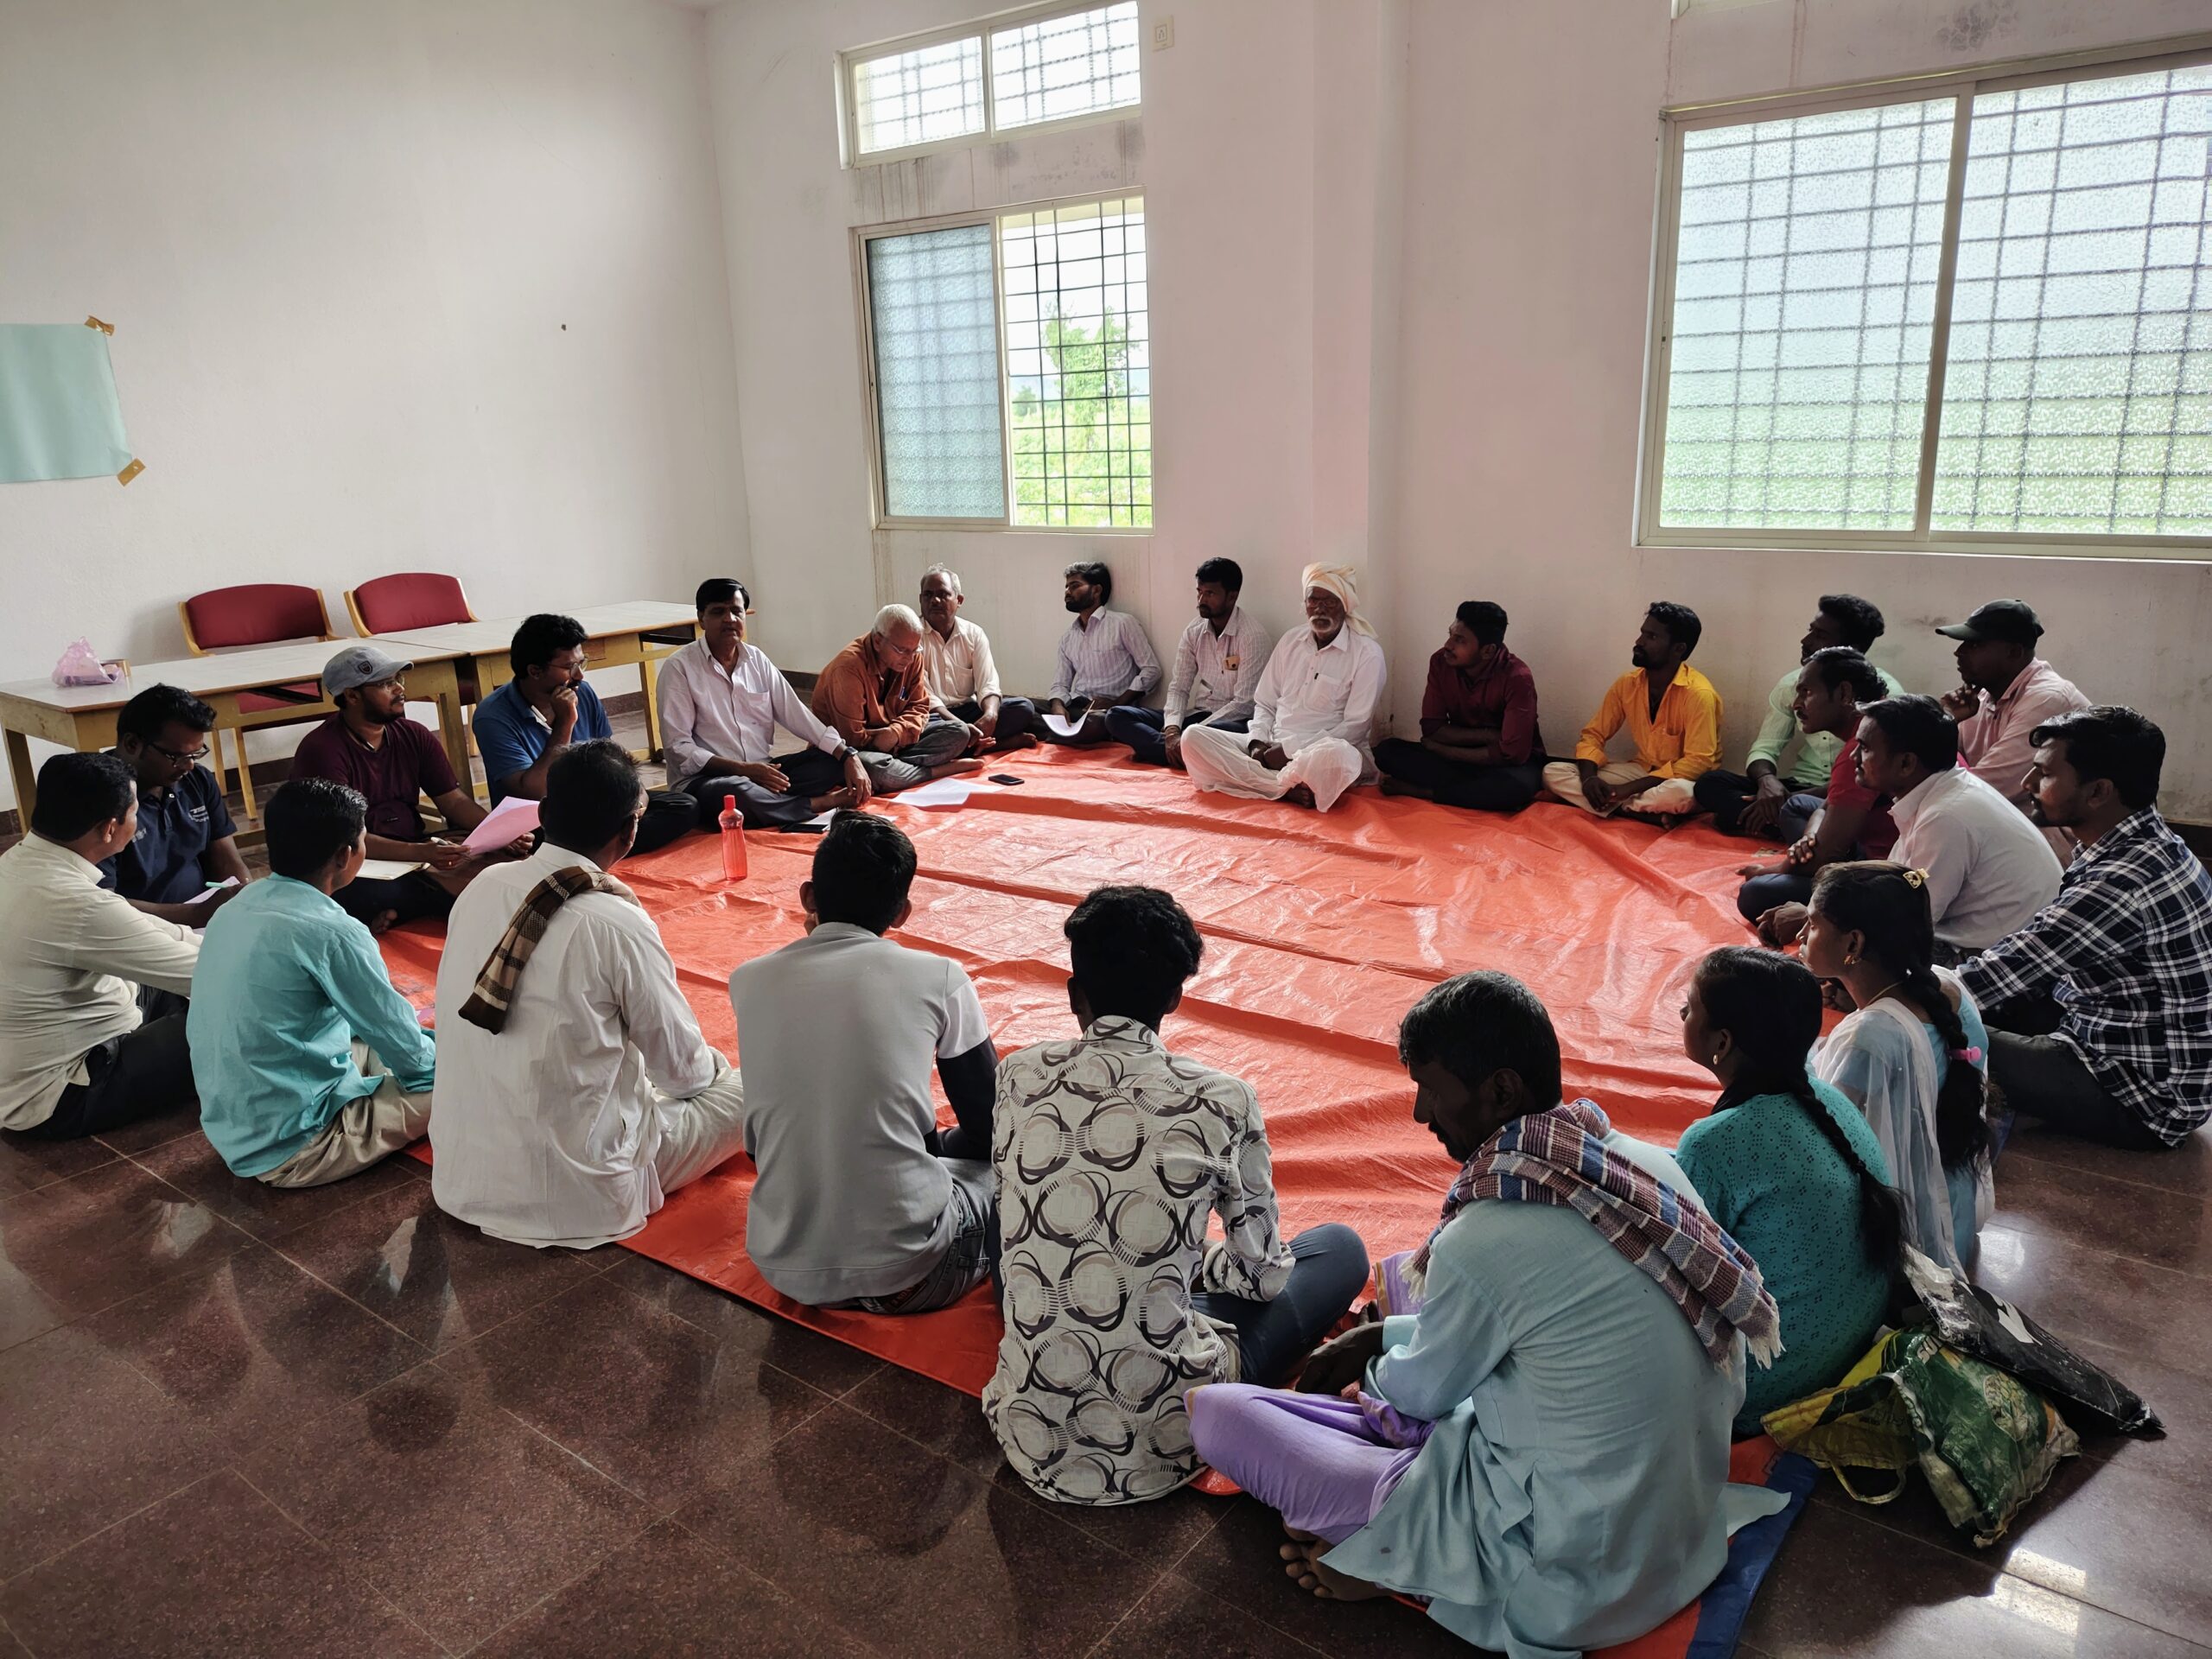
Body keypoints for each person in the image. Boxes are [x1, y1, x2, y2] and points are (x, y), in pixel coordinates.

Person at [1186, 971, 1770, 1656]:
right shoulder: (1643, 1164)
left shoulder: (1485, 1237)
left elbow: (1422, 1396)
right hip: (1679, 1540)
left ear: (1499, 1090)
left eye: (1432, 1087)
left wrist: (1375, 1370)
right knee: (1410, 1278)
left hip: (1562, 1577)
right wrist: (1387, 1339)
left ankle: (1405, 1566)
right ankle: (1386, 1514)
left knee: (1218, 1415)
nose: (1419, 1113)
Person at [987, 884, 1368, 1505]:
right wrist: (1193, 1258)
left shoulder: (1017, 1074)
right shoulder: (1222, 1098)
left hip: (1030, 1428)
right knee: (1339, 1249)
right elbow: (1264, 1279)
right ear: (1174, 997)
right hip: (1166, 1436)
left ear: (1074, 993)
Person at [430, 741, 748, 1249]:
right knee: (751, 1087)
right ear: (629, 832)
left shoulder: (482, 886)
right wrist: (715, 1068)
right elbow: (685, 1074)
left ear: (543, 814)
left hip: (464, 1177)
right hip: (576, 1194)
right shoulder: (614, 921)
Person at [732, 811, 1004, 1312]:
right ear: (901, 912)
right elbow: (992, 1131)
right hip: (911, 1277)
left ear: (808, 897)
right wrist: (939, 1145)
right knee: (1012, 1173)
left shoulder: (748, 980)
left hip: (783, 1264)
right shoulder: (939, 976)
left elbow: (762, 1147)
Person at [1957, 708, 2212, 1151]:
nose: (2027, 786)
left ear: (2098, 792)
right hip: (2114, 1033)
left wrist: (1889, 992)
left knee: (1935, 1031)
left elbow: (2007, 969)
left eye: (2044, 775)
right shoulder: (2145, 843)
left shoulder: (2123, 882)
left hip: (2142, 1098)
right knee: (1955, 997)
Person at [1677, 947, 1900, 1435]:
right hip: (1845, 1344)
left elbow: (1675, 1269)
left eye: (1690, 1006)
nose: (1681, 1013)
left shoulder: (1715, 1143)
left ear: (1722, 1041)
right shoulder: (1827, 1100)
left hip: (1772, 1385)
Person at [188, 779, 437, 1187]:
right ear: (345, 855)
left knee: (393, 1034)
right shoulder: (334, 931)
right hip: (298, 1149)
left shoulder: (236, 906)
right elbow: (411, 1056)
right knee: (466, 1072)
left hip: (235, 1127)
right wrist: (444, 1067)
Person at [1752, 696, 2062, 964]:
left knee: (1834, 952)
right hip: (1981, 936)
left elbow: (1905, 922)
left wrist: (1813, 919)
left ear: (1906, 764)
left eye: (1864, 748)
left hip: (1988, 957)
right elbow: (1903, 881)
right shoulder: (1940, 792)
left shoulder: (1945, 816)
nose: (1852, 758)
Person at [1802, 863, 1994, 1274]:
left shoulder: (1869, 1039)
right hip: (1955, 1212)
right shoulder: (1949, 988)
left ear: (1853, 943)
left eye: (1812, 924)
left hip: (1912, 1242)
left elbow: (1827, 1150)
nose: (1801, 936)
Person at [0, 752, 200, 1139]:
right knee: (245, 1013)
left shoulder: (19, 864)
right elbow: (211, 976)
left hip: (31, 1061)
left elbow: (150, 932)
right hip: (64, 1092)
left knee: (175, 978)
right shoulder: (77, 905)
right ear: (110, 828)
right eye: (135, 812)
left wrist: (212, 937)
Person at [290, 645, 525, 932]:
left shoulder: (414, 734)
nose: (399, 689)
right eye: (385, 684)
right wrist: (421, 854)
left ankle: (400, 912)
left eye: (398, 679)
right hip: (356, 858)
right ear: (352, 696)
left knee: (506, 862)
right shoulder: (322, 750)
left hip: (414, 847)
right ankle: (405, 906)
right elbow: (345, 837)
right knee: (365, 891)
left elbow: (453, 801)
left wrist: (498, 832)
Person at [655, 577, 873, 830]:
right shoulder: (679, 668)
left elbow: (796, 714)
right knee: (735, 791)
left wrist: (847, 755)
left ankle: (770, 804)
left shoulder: (756, 659)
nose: (729, 619)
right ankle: (815, 804)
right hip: (708, 780)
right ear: (701, 618)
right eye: (718, 612)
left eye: (736, 611)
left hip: (762, 770)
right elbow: (678, 748)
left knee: (830, 762)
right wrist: (744, 770)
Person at [468, 612, 696, 854]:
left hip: (595, 806)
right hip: (544, 817)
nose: (580, 675)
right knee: (539, 838)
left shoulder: (583, 692)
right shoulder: (492, 716)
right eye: (569, 667)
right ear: (535, 671)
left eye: (581, 663)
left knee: (683, 805)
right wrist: (565, 723)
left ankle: (597, 848)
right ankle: (608, 845)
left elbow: (614, 761)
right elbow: (534, 792)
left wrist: (637, 802)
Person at [1180, 563, 1388, 811]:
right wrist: (1257, 742)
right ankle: (1281, 787)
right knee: (1193, 736)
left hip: (1319, 752)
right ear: (1305, 605)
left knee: (1340, 756)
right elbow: (1265, 703)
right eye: (1313, 601)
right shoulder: (1291, 641)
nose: (1320, 609)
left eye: (1330, 602)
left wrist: (1290, 751)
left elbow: (1355, 727)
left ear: (1345, 606)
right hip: (1271, 746)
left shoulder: (1367, 653)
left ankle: (1259, 781)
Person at [1696, 595, 1903, 836]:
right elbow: (1765, 747)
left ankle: (1775, 819)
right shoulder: (1791, 684)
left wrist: (1788, 801)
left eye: (1820, 635)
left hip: (1852, 790)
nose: (1806, 641)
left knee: (1862, 805)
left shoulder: (1884, 697)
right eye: (1810, 631)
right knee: (1711, 783)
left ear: (1848, 648)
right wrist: (1767, 783)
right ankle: (1783, 819)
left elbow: (1872, 780)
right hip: (1798, 786)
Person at [1731, 648, 1897, 925]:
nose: (1797, 704)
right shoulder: (1878, 721)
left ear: (1844, 694)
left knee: (1754, 894)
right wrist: (1809, 838)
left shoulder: (1865, 746)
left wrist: (1773, 869)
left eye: (1806, 692)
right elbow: (1824, 807)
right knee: (1795, 805)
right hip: (1859, 848)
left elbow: (1823, 856)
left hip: (1891, 875)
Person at [1936, 600, 2089, 861]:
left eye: (1974, 645)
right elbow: (1935, 768)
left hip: (2062, 840)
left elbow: (1982, 791)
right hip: (2011, 825)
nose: (1959, 652)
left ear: (2014, 653)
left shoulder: (2047, 698)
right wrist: (1946, 722)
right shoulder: (1982, 697)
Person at [1542, 602, 1721, 819]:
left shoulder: (1698, 694)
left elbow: (1698, 763)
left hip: (1678, 780)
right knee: (1553, 772)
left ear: (1678, 649)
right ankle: (1643, 812)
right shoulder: (1627, 684)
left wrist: (1628, 789)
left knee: (1681, 795)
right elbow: (1593, 735)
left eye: (1652, 637)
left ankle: (1622, 807)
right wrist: (1590, 780)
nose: (1639, 642)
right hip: (1641, 770)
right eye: (1642, 633)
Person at [1374, 601, 1545, 813]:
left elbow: (1514, 752)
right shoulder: (1440, 662)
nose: (1448, 645)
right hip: (1465, 756)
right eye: (1450, 634)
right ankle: (1465, 792)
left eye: (1459, 640)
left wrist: (1444, 750)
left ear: (1488, 651)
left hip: (1506, 765)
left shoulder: (1517, 677)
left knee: (1514, 788)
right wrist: (1489, 736)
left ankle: (1426, 792)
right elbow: (1433, 729)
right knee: (1385, 751)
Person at [100, 684, 251, 925]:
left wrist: (242, 898)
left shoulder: (197, 781)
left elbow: (226, 857)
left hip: (203, 920)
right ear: (131, 744)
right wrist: (194, 915)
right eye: (177, 756)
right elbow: (101, 902)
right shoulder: (98, 796)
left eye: (195, 754)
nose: (188, 766)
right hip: (139, 930)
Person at [1103, 558, 1271, 768]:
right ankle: (1179, 754)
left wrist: (1192, 734)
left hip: (1231, 723)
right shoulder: (1194, 631)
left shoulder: (1252, 636)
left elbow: (1244, 704)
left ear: (1232, 597)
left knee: (1231, 736)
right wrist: (1173, 729)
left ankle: (1164, 752)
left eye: (1210, 594)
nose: (1201, 599)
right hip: (1197, 716)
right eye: (1199, 591)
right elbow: (1179, 687)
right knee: (1116, 716)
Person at [810, 605, 983, 794]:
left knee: (959, 731)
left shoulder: (913, 656)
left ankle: (898, 771)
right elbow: (851, 738)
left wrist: (896, 732)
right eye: (901, 651)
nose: (909, 658)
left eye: (915, 649)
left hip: (896, 742)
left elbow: (919, 706)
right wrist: (885, 740)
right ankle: (935, 771)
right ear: (877, 641)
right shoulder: (848, 669)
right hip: (851, 752)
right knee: (875, 769)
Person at [916, 563, 1038, 752]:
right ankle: (991, 745)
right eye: (928, 595)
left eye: (943, 594)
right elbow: (926, 698)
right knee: (917, 731)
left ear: (959, 600)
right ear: (920, 600)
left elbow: (988, 684)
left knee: (1024, 707)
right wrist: (962, 728)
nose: (935, 601)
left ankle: (968, 745)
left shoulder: (974, 634)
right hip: (935, 716)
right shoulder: (912, 636)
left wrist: (990, 716)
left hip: (969, 711)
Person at [1039, 562, 1160, 745]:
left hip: (1109, 712)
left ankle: (1059, 735)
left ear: (1096, 590)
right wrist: (1057, 707)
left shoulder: (1122, 623)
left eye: (1075, 586)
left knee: (1101, 722)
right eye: (1066, 587)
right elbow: (1060, 684)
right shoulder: (1068, 637)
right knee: (1024, 706)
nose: (1067, 592)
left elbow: (1152, 670)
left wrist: (1116, 703)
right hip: (1076, 707)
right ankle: (1062, 733)